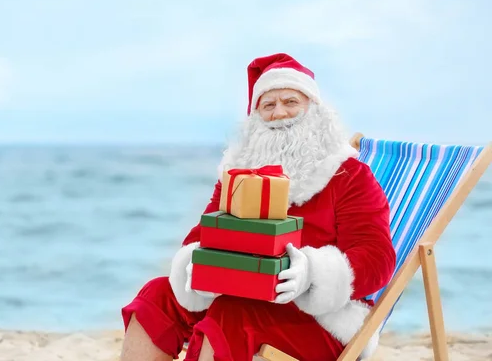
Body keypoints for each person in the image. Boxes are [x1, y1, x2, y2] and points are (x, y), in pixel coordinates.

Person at [119, 53, 396, 361]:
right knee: (158, 294)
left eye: (291, 102)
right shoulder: (239, 175)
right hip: (240, 295)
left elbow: (378, 258)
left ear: (315, 110)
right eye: (268, 105)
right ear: (256, 117)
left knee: (231, 312)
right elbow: (201, 235)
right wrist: (198, 267)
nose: (279, 114)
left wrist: (311, 274)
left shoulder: (349, 175)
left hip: (319, 319)